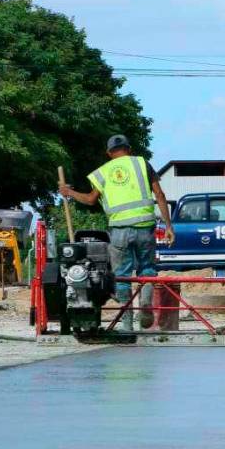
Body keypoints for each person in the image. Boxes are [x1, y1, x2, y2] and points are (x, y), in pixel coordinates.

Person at [59, 135, 175, 333]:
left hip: (120, 229)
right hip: (145, 226)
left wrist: (69, 193)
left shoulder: (103, 172)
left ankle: (127, 324)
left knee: (122, 276)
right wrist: (169, 226)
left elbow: (90, 200)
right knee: (147, 269)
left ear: (108, 153)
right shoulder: (142, 163)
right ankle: (145, 303)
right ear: (129, 149)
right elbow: (160, 195)